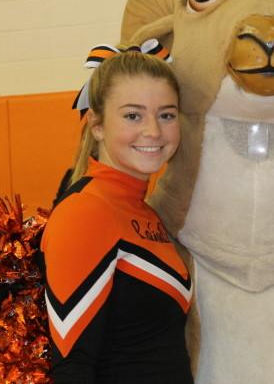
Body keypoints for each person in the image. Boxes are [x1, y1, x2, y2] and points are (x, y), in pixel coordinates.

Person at [41, 45, 193, 383]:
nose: (153, 131)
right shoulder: (86, 211)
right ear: (97, 125)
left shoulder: (145, 211)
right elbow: (73, 367)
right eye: (133, 115)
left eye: (166, 115)